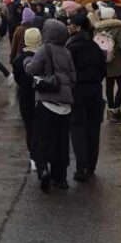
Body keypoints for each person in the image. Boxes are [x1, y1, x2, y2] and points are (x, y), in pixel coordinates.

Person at [24, 19, 76, 192]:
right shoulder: (67, 52)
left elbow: (31, 70)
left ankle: (43, 170)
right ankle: (60, 178)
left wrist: (27, 62)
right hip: (66, 105)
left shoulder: (44, 49)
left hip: (47, 101)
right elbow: (73, 78)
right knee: (62, 142)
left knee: (41, 139)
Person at [66, 10, 106, 181]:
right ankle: (91, 165)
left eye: (71, 24)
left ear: (76, 27)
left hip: (77, 92)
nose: (69, 27)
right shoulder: (95, 46)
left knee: (78, 129)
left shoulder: (71, 47)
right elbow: (103, 70)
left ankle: (81, 167)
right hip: (95, 91)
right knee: (93, 129)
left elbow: (68, 72)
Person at [11, 26, 41, 170]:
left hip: (26, 96)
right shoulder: (45, 55)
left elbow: (17, 77)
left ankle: (34, 156)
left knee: (29, 127)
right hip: (42, 96)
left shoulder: (19, 60)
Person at [94, 6, 121, 122]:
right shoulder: (118, 27)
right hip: (117, 59)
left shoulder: (97, 28)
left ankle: (110, 109)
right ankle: (116, 110)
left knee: (109, 85)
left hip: (104, 60)